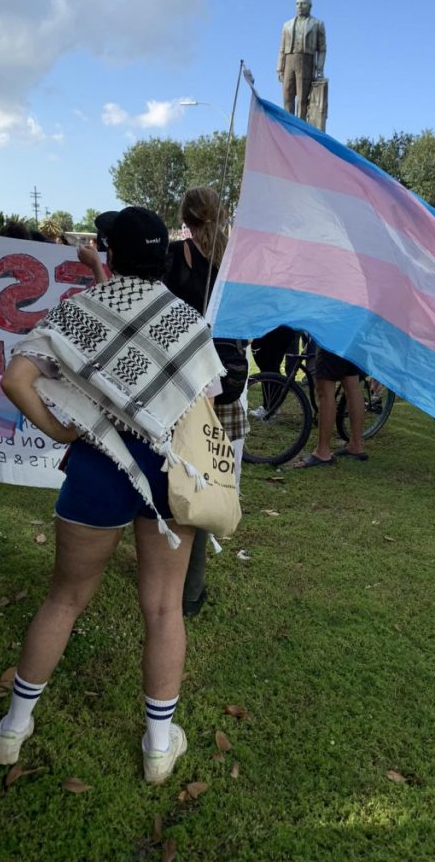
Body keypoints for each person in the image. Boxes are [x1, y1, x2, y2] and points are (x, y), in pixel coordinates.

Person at [0, 207, 224, 784]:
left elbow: (15, 379)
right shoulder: (186, 322)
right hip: (168, 477)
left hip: (96, 472)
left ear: (109, 252)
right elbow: (204, 407)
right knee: (165, 609)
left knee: (64, 601)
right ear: (164, 257)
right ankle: (157, 746)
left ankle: (13, 728)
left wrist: (60, 428)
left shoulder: (79, 313)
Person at [163, 187, 249, 618]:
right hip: (225, 388)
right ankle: (191, 591)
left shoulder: (175, 258)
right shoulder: (236, 260)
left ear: (185, 217)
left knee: (170, 478)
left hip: (179, 387)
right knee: (204, 483)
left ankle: (171, 582)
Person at [295, 347, 367, 468]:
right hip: (354, 337)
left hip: (332, 339)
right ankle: (356, 445)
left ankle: (322, 452)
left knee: (325, 392)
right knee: (352, 386)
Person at [277, 0, 326, 120]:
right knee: (287, 95)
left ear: (310, 6)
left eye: (303, 3)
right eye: (297, 3)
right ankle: (288, 122)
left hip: (306, 61)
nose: (299, 6)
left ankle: (301, 123)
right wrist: (279, 68)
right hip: (289, 60)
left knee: (303, 97)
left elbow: (322, 49)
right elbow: (282, 48)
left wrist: (319, 68)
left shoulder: (317, 24)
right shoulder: (287, 25)